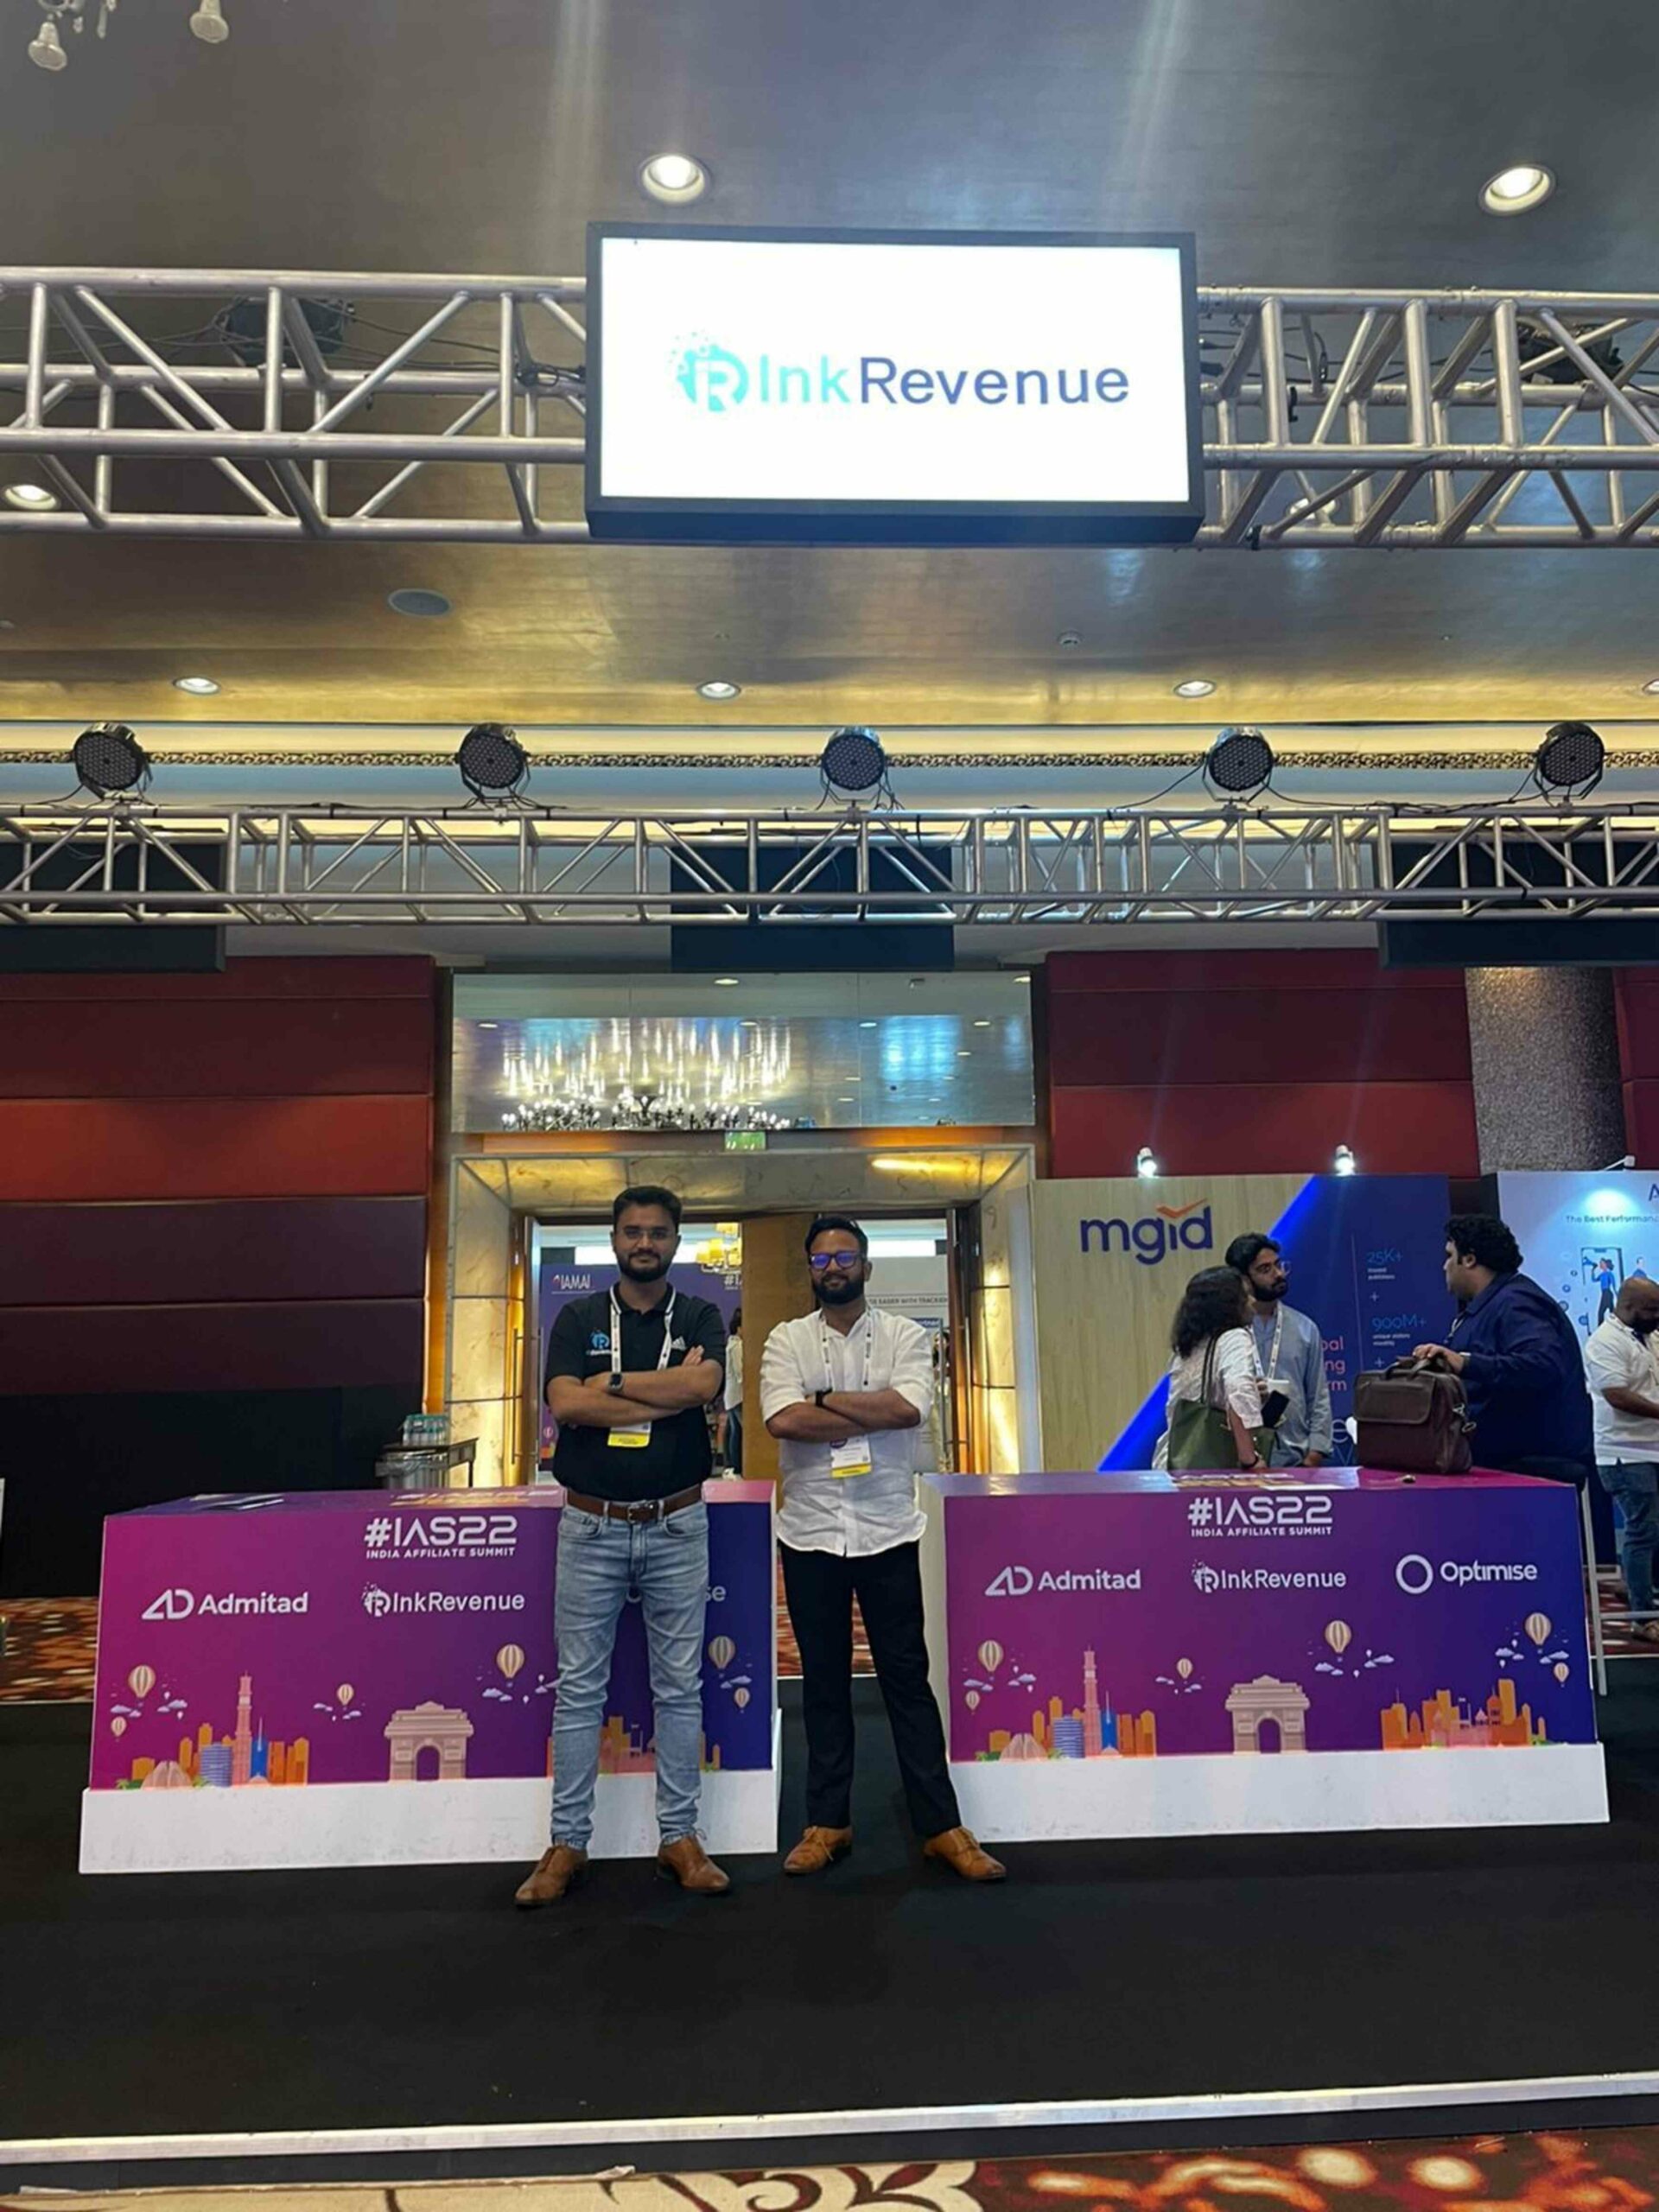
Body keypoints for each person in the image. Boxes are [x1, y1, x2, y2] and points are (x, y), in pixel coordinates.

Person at [760, 1214, 1006, 1885]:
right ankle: (826, 1822)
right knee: (823, 1682)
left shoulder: (904, 1335)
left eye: (845, 1257)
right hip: (810, 1531)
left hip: (888, 1528)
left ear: (867, 1267)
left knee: (906, 1678)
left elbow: (908, 1410)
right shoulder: (786, 1339)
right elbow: (783, 1419)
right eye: (821, 1259)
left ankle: (941, 1825)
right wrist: (860, 1406)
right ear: (810, 1270)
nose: (833, 1268)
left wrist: (822, 1400)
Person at [515, 1185, 729, 1908]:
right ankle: (567, 1843)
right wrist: (663, 1389)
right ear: (614, 1240)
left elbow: (704, 1385)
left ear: (675, 1242)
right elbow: (566, 1402)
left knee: (680, 1687)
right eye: (633, 1231)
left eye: (658, 1233)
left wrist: (611, 1382)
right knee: (579, 1689)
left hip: (677, 1523)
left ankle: (680, 1837)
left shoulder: (699, 1314)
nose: (645, 1243)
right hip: (591, 1526)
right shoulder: (578, 1316)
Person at [1412, 1213, 1593, 1484]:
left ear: (1469, 1259)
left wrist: (1465, 1363)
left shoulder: (1516, 1302)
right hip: (1500, 1466)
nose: (1444, 1266)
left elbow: (1543, 1364)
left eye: (1449, 1256)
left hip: (1532, 1471)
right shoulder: (1484, 1309)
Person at [1586, 1275, 1659, 1644]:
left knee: (1650, 1531)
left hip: (1654, 1448)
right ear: (1627, 1307)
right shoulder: (1604, 1341)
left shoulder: (1651, 1337)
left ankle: (1636, 1586)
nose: (1657, 1316)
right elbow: (1617, 1395)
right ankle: (1641, 1618)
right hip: (1625, 1454)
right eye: (1652, 1310)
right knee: (1643, 1530)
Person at [1224, 1231, 1334, 1469]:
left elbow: (1319, 1398)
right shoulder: (1226, 1331)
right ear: (1243, 1280)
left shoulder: (1305, 1328)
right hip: (1238, 1464)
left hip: (1296, 1463)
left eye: (1278, 1265)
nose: (1278, 1274)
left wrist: (1314, 1456)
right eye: (1265, 1269)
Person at [1156, 1265, 1268, 1471]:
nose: (1253, 1301)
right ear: (1228, 1305)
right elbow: (1239, 1391)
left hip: (1175, 1461)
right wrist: (1249, 1460)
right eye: (1246, 1296)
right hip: (1214, 1470)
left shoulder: (1187, 1347)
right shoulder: (1234, 1338)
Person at [718, 1306, 744, 1473]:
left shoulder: (731, 1344)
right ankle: (736, 1465)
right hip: (738, 1395)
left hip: (731, 1396)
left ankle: (732, 1465)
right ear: (739, 1328)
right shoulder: (736, 1346)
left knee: (734, 1432)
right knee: (739, 1432)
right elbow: (740, 1371)